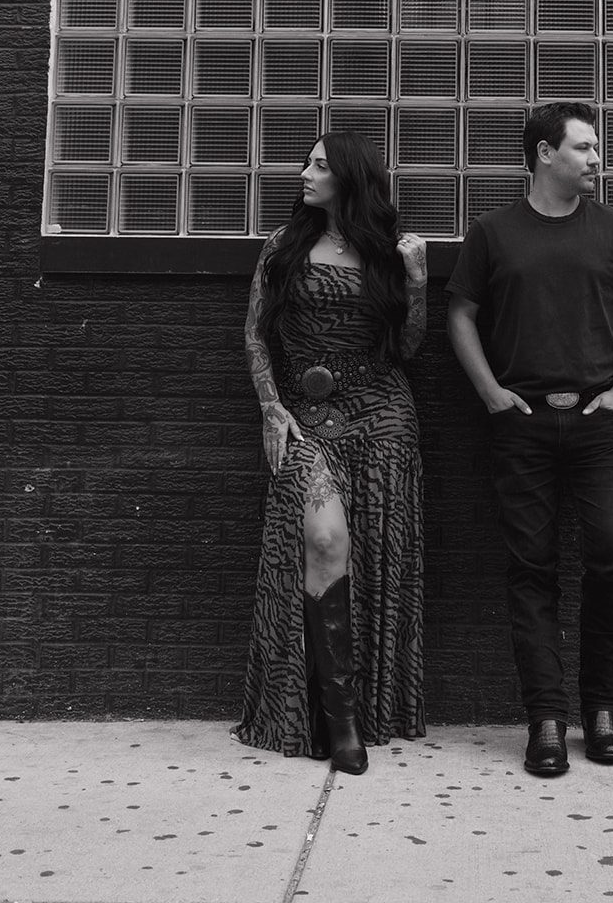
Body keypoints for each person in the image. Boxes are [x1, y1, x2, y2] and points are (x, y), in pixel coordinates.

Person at [446, 101, 613, 778]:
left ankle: (602, 710)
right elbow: (459, 312)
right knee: (531, 571)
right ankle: (546, 718)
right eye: (583, 148)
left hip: (600, 427)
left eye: (596, 148)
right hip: (523, 427)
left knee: (612, 557)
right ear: (544, 154)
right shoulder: (494, 233)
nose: (596, 159)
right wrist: (491, 395)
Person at [233, 132, 428, 774]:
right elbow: (257, 335)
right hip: (305, 416)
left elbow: (405, 350)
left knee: (368, 554)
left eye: (319, 164)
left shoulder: (384, 256)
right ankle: (338, 721)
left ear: (349, 178)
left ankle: (351, 724)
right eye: (307, 161)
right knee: (323, 537)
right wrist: (270, 405)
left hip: (380, 415)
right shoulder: (284, 249)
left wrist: (419, 283)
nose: (305, 171)